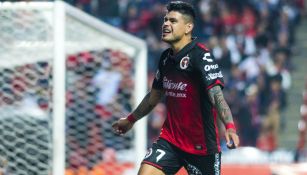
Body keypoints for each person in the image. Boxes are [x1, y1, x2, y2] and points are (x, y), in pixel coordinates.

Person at [112, 1, 239, 175]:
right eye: (165, 20)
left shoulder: (200, 56)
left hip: (201, 148)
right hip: (170, 141)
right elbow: (153, 97)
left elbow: (217, 95)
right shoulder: (165, 58)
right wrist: (131, 119)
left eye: (173, 21)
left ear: (188, 27)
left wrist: (230, 126)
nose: (165, 24)